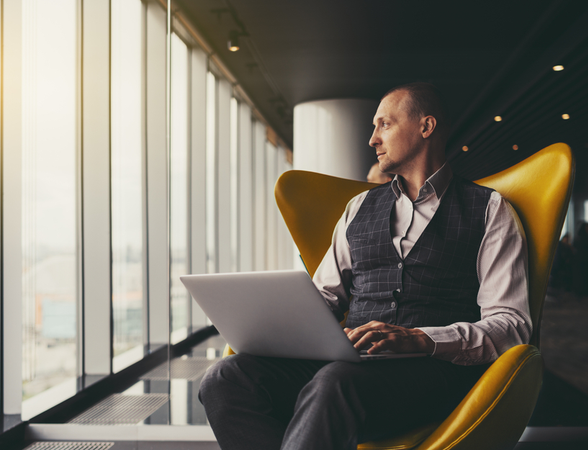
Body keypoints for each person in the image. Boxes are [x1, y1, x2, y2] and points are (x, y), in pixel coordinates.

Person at [199, 82, 532, 450]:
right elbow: (325, 297)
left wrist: (420, 339)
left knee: (334, 384)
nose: (373, 139)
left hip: (435, 373)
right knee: (226, 379)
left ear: (426, 127)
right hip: (351, 363)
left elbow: (511, 326)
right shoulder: (358, 208)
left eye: (384, 125)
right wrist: (270, 322)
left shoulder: (489, 210)